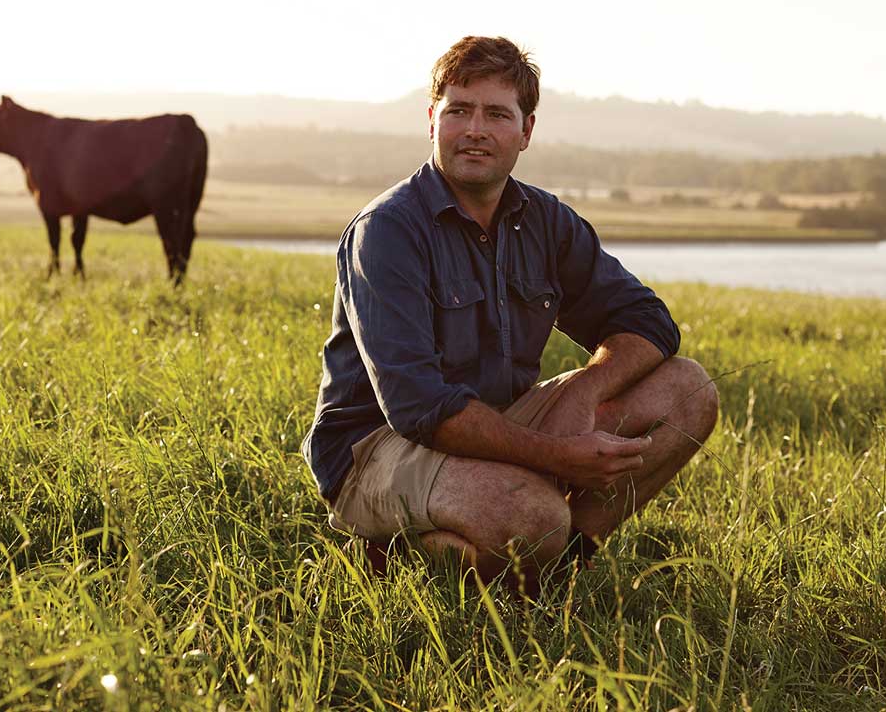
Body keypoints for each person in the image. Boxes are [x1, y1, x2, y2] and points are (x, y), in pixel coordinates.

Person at [300, 36, 718, 590]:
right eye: (459, 111)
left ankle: (562, 567)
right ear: (432, 120)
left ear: (526, 131)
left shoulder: (545, 220)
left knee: (688, 390)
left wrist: (583, 391)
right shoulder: (388, 231)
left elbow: (649, 321)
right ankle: (392, 552)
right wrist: (558, 455)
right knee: (533, 516)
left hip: (493, 423)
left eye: (497, 113)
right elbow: (419, 406)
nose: (475, 129)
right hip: (379, 448)